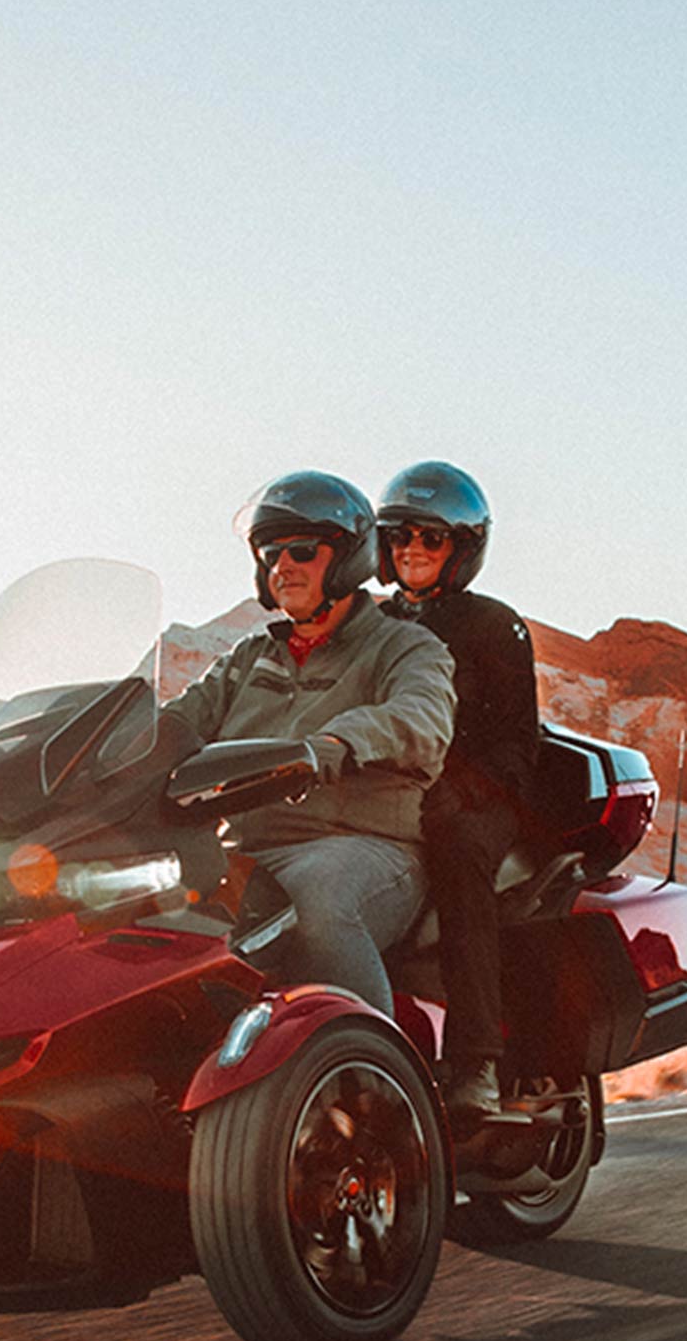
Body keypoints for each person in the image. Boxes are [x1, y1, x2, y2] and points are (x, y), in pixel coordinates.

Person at [160, 471, 459, 1018]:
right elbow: (178, 723)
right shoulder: (251, 659)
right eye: (271, 553)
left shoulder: (405, 646)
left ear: (349, 559)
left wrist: (335, 744)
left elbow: (422, 718)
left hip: (362, 847)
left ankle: (375, 1070)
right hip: (242, 849)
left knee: (320, 899)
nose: (283, 566)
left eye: (302, 550)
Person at [377, 461, 541, 1120]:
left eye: (431, 537)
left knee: (457, 852)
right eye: (399, 536)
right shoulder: (369, 624)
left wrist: (459, 790)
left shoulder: (494, 626)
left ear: (463, 549)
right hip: (389, 789)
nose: (412, 548)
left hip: (478, 802)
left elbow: (517, 746)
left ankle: (475, 1063)